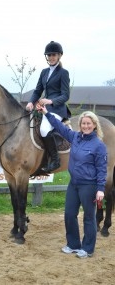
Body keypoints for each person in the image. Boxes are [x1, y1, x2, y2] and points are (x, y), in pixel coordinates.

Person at [36, 104, 107, 258]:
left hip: (89, 185)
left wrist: (100, 188)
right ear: (80, 125)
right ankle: (73, 244)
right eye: (83, 123)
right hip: (74, 184)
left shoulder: (99, 146)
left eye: (89, 123)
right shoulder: (75, 137)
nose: (86, 126)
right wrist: (47, 113)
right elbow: (60, 128)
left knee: (89, 217)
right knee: (69, 214)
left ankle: (87, 249)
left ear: (94, 126)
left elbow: (102, 169)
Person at [26, 41, 70, 173]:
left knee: (44, 129)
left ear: (59, 56)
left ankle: (55, 161)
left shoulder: (63, 73)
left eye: (54, 55)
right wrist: (30, 102)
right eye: (49, 55)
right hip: (42, 108)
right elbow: (37, 91)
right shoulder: (44, 72)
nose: (51, 57)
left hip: (57, 109)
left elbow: (65, 95)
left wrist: (50, 101)